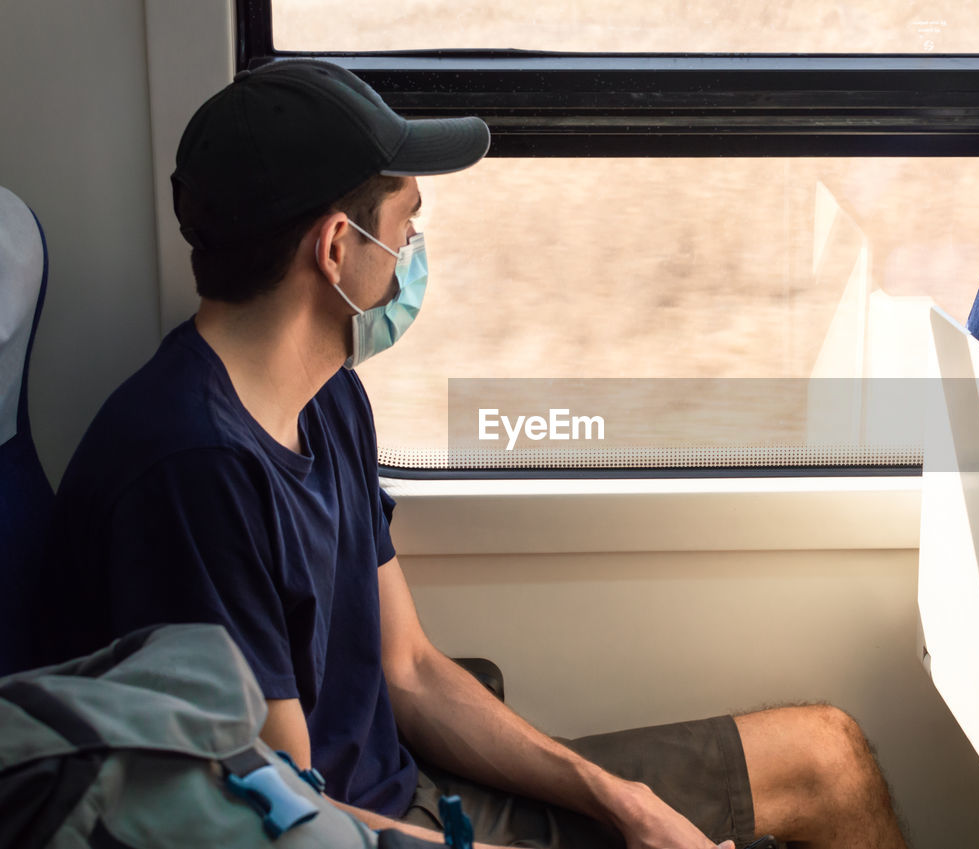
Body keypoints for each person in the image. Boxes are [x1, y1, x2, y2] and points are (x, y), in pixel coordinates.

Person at [39, 60, 908, 849]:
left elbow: (408, 668)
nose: (412, 256)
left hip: (413, 795)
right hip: (351, 832)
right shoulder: (194, 475)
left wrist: (620, 799)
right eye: (405, 227)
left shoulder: (327, 394)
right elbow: (281, 816)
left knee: (825, 758)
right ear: (338, 248)